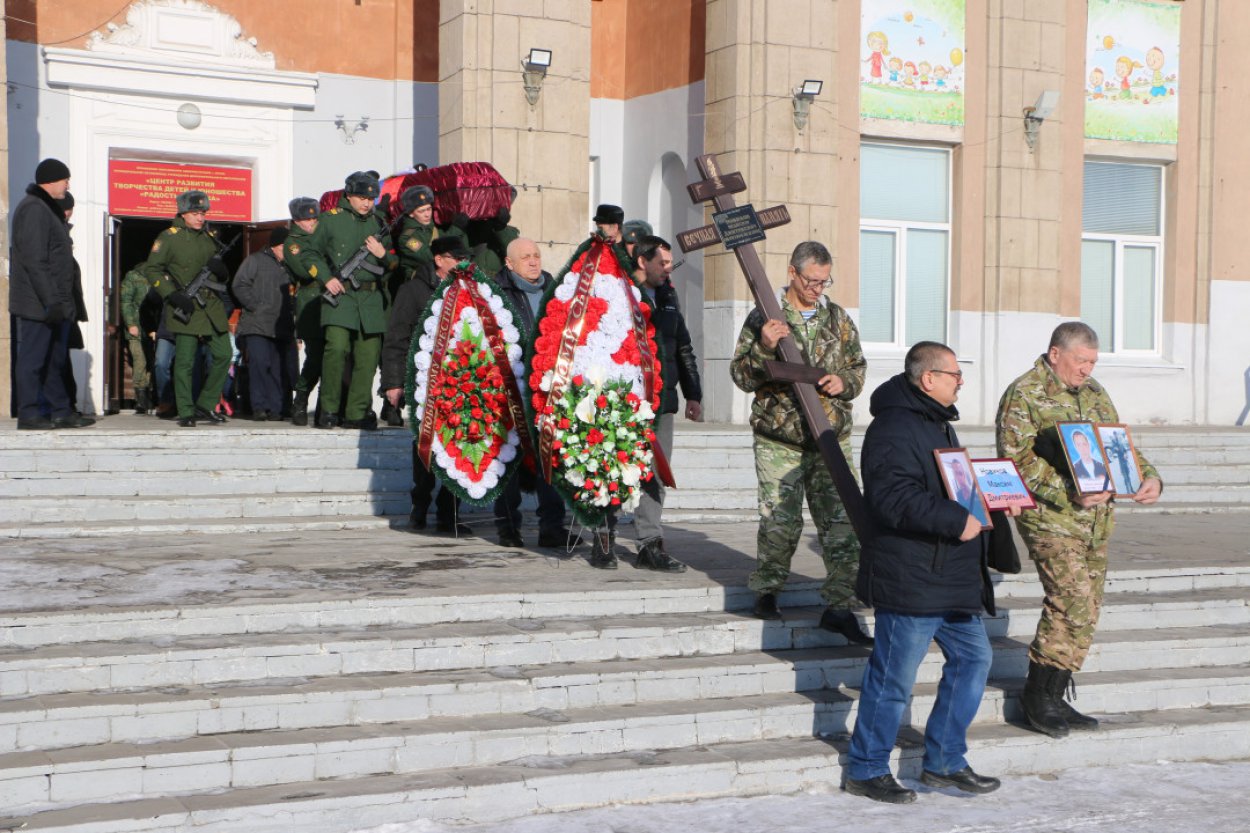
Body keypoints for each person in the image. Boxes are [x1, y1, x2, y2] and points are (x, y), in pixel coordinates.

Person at [846, 341, 1002, 804]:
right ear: (928, 378)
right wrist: (957, 520)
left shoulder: (936, 423)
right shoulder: (893, 427)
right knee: (893, 677)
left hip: (951, 575)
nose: (961, 382)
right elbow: (892, 498)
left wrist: (991, 495)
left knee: (975, 661)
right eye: (955, 374)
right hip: (911, 576)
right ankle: (866, 768)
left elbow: (951, 486)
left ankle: (945, 761)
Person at [997, 322, 1162, 737]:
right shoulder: (1025, 394)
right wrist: (1069, 489)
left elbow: (1117, 445)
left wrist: (1149, 476)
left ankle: (1055, 695)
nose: (1087, 369)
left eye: (1092, 362)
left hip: (1096, 520)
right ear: (1056, 354)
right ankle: (1037, 697)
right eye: (1081, 360)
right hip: (1051, 518)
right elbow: (1014, 462)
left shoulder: (1094, 393)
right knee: (1070, 599)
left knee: (1086, 609)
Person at [729, 240, 870, 644]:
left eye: (824, 282)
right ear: (792, 273)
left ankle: (840, 606)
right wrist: (765, 348)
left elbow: (857, 367)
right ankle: (768, 590)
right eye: (811, 281)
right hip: (782, 437)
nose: (818, 289)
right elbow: (741, 375)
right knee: (780, 520)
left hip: (830, 435)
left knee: (842, 522)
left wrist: (845, 382)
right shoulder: (766, 317)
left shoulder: (837, 318)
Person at [381, 233, 475, 534]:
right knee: (426, 449)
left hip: (461, 383)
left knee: (459, 446)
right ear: (439, 260)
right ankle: (419, 506)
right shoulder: (413, 291)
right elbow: (396, 338)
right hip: (424, 382)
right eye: (456, 258)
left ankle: (451, 515)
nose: (463, 263)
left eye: (465, 258)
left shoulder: (470, 291)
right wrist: (393, 382)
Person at [491, 237, 571, 549]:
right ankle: (508, 527)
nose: (534, 262)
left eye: (536, 255)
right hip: (510, 389)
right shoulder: (496, 295)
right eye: (526, 257)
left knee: (551, 460)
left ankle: (552, 527)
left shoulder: (557, 292)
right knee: (509, 460)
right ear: (509, 263)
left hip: (549, 390)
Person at [629, 235, 701, 572]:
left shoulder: (669, 295)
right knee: (615, 470)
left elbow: (683, 346)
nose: (668, 269)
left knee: (656, 473)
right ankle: (602, 537)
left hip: (663, 403)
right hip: (626, 402)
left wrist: (694, 394)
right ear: (643, 261)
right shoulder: (622, 292)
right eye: (663, 262)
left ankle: (649, 543)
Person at [9, 158, 93, 429]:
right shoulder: (33, 209)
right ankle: (29, 413)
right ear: (50, 180)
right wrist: (51, 300)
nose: (67, 184)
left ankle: (60, 410)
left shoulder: (46, 210)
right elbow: (35, 260)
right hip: (38, 303)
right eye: (64, 179)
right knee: (33, 360)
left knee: (54, 359)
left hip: (54, 303)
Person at [314, 172, 397, 430]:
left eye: (371, 198)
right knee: (336, 350)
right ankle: (328, 410)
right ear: (348, 195)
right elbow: (309, 253)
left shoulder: (379, 223)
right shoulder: (330, 220)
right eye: (362, 197)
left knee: (368, 358)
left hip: (371, 301)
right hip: (340, 297)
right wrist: (326, 278)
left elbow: (394, 264)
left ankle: (357, 412)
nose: (367, 203)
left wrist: (383, 254)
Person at [144, 190, 233, 428]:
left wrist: (222, 271)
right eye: (195, 213)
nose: (200, 218)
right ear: (183, 213)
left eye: (203, 213)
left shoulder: (209, 238)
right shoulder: (169, 238)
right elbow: (152, 269)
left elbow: (219, 275)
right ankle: (185, 410)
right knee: (184, 361)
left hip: (211, 306)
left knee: (224, 354)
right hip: (186, 305)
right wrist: (171, 294)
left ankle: (205, 403)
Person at [233, 227, 294, 421]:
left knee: (278, 369)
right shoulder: (255, 260)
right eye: (286, 246)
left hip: (281, 326)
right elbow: (239, 284)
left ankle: (276, 409)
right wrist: (255, 306)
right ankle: (259, 407)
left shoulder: (291, 266)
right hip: (256, 324)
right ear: (276, 246)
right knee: (260, 364)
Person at [284, 197, 333, 427]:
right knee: (315, 356)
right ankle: (301, 399)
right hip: (311, 299)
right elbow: (304, 271)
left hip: (332, 297)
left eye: (315, 217)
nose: (312, 222)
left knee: (333, 355)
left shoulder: (322, 235)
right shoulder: (293, 243)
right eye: (307, 219)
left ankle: (326, 407)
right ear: (296, 220)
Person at [120, 262, 155, 414]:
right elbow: (126, 302)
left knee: (152, 361)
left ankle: (148, 394)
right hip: (137, 327)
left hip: (152, 327)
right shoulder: (133, 277)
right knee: (140, 360)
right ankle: (140, 398)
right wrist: (130, 324)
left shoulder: (158, 276)